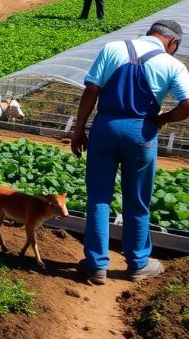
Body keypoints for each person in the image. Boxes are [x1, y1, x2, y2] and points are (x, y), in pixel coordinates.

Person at [71, 20, 189, 285]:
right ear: (173, 43)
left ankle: (95, 265)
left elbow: (91, 89)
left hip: (105, 127)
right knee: (137, 200)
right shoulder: (172, 65)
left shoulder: (113, 48)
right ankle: (138, 264)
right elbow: (188, 103)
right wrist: (161, 119)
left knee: (98, 197)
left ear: (150, 33)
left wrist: (79, 129)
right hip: (141, 132)